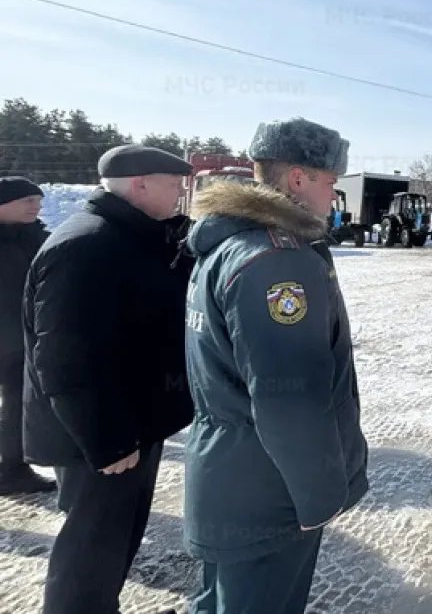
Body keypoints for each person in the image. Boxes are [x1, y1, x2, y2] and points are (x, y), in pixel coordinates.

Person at [182, 117, 369, 614]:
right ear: (298, 179)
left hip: (232, 476)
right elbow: (287, 400)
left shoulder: (231, 243)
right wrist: (319, 494)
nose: (333, 195)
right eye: (330, 181)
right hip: (270, 489)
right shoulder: (277, 261)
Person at [22, 145, 195, 614]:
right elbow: (64, 361)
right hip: (98, 436)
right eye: (173, 184)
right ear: (140, 184)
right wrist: (109, 440)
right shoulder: (87, 246)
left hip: (132, 423)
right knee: (91, 549)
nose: (181, 193)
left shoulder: (131, 236)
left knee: (117, 539)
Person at [0, 177, 56, 496]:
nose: (36, 206)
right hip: (6, 337)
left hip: (26, 337)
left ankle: (12, 468)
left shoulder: (40, 238)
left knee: (18, 405)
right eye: (27, 200)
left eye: (38, 200)